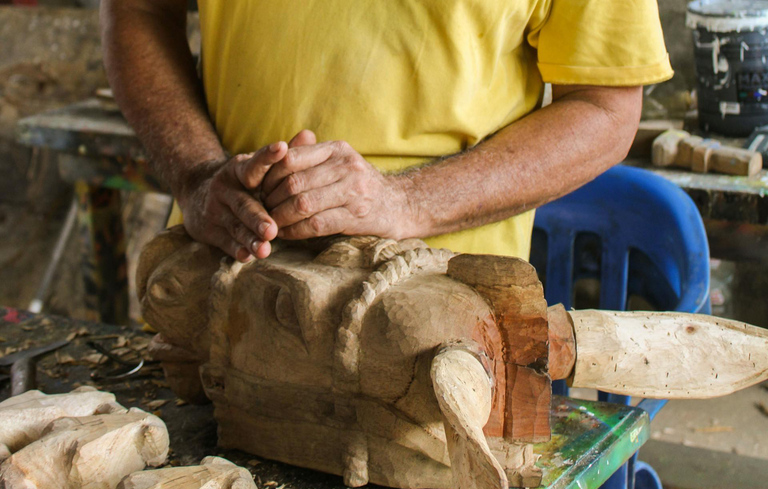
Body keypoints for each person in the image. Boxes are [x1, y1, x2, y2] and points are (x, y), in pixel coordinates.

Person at [101, 0, 672, 263]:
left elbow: (605, 109)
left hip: (437, 322)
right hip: (218, 281)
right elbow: (140, 11)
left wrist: (406, 201)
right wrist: (197, 175)